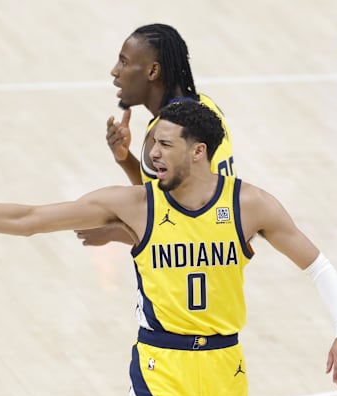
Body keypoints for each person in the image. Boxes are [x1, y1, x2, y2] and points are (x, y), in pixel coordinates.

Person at [0, 101, 337, 396]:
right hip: (160, 365)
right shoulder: (134, 204)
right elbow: (26, 220)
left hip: (225, 368)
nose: (152, 153)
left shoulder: (248, 204)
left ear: (198, 152)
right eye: (151, 143)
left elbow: (318, 266)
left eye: (165, 144)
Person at [76, 23, 236, 246]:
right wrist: (125, 159)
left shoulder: (167, 133)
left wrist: (114, 232)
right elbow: (158, 197)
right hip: (222, 246)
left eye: (124, 62)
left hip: (195, 260)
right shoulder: (206, 107)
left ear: (152, 71)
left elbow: (170, 225)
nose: (115, 71)